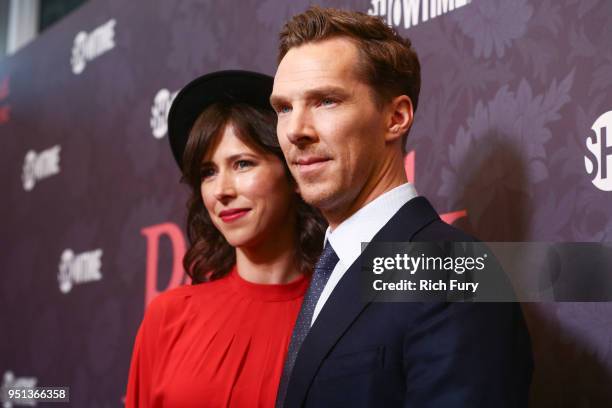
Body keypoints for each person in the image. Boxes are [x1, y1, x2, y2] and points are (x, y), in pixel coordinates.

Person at [270, 7, 533, 408]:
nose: (295, 131)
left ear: (396, 117)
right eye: (284, 108)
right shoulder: (329, 269)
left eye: (325, 101)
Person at [125, 70, 325, 407]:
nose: (222, 191)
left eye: (243, 164)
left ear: (293, 171)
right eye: (208, 172)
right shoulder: (168, 317)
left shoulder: (339, 310)